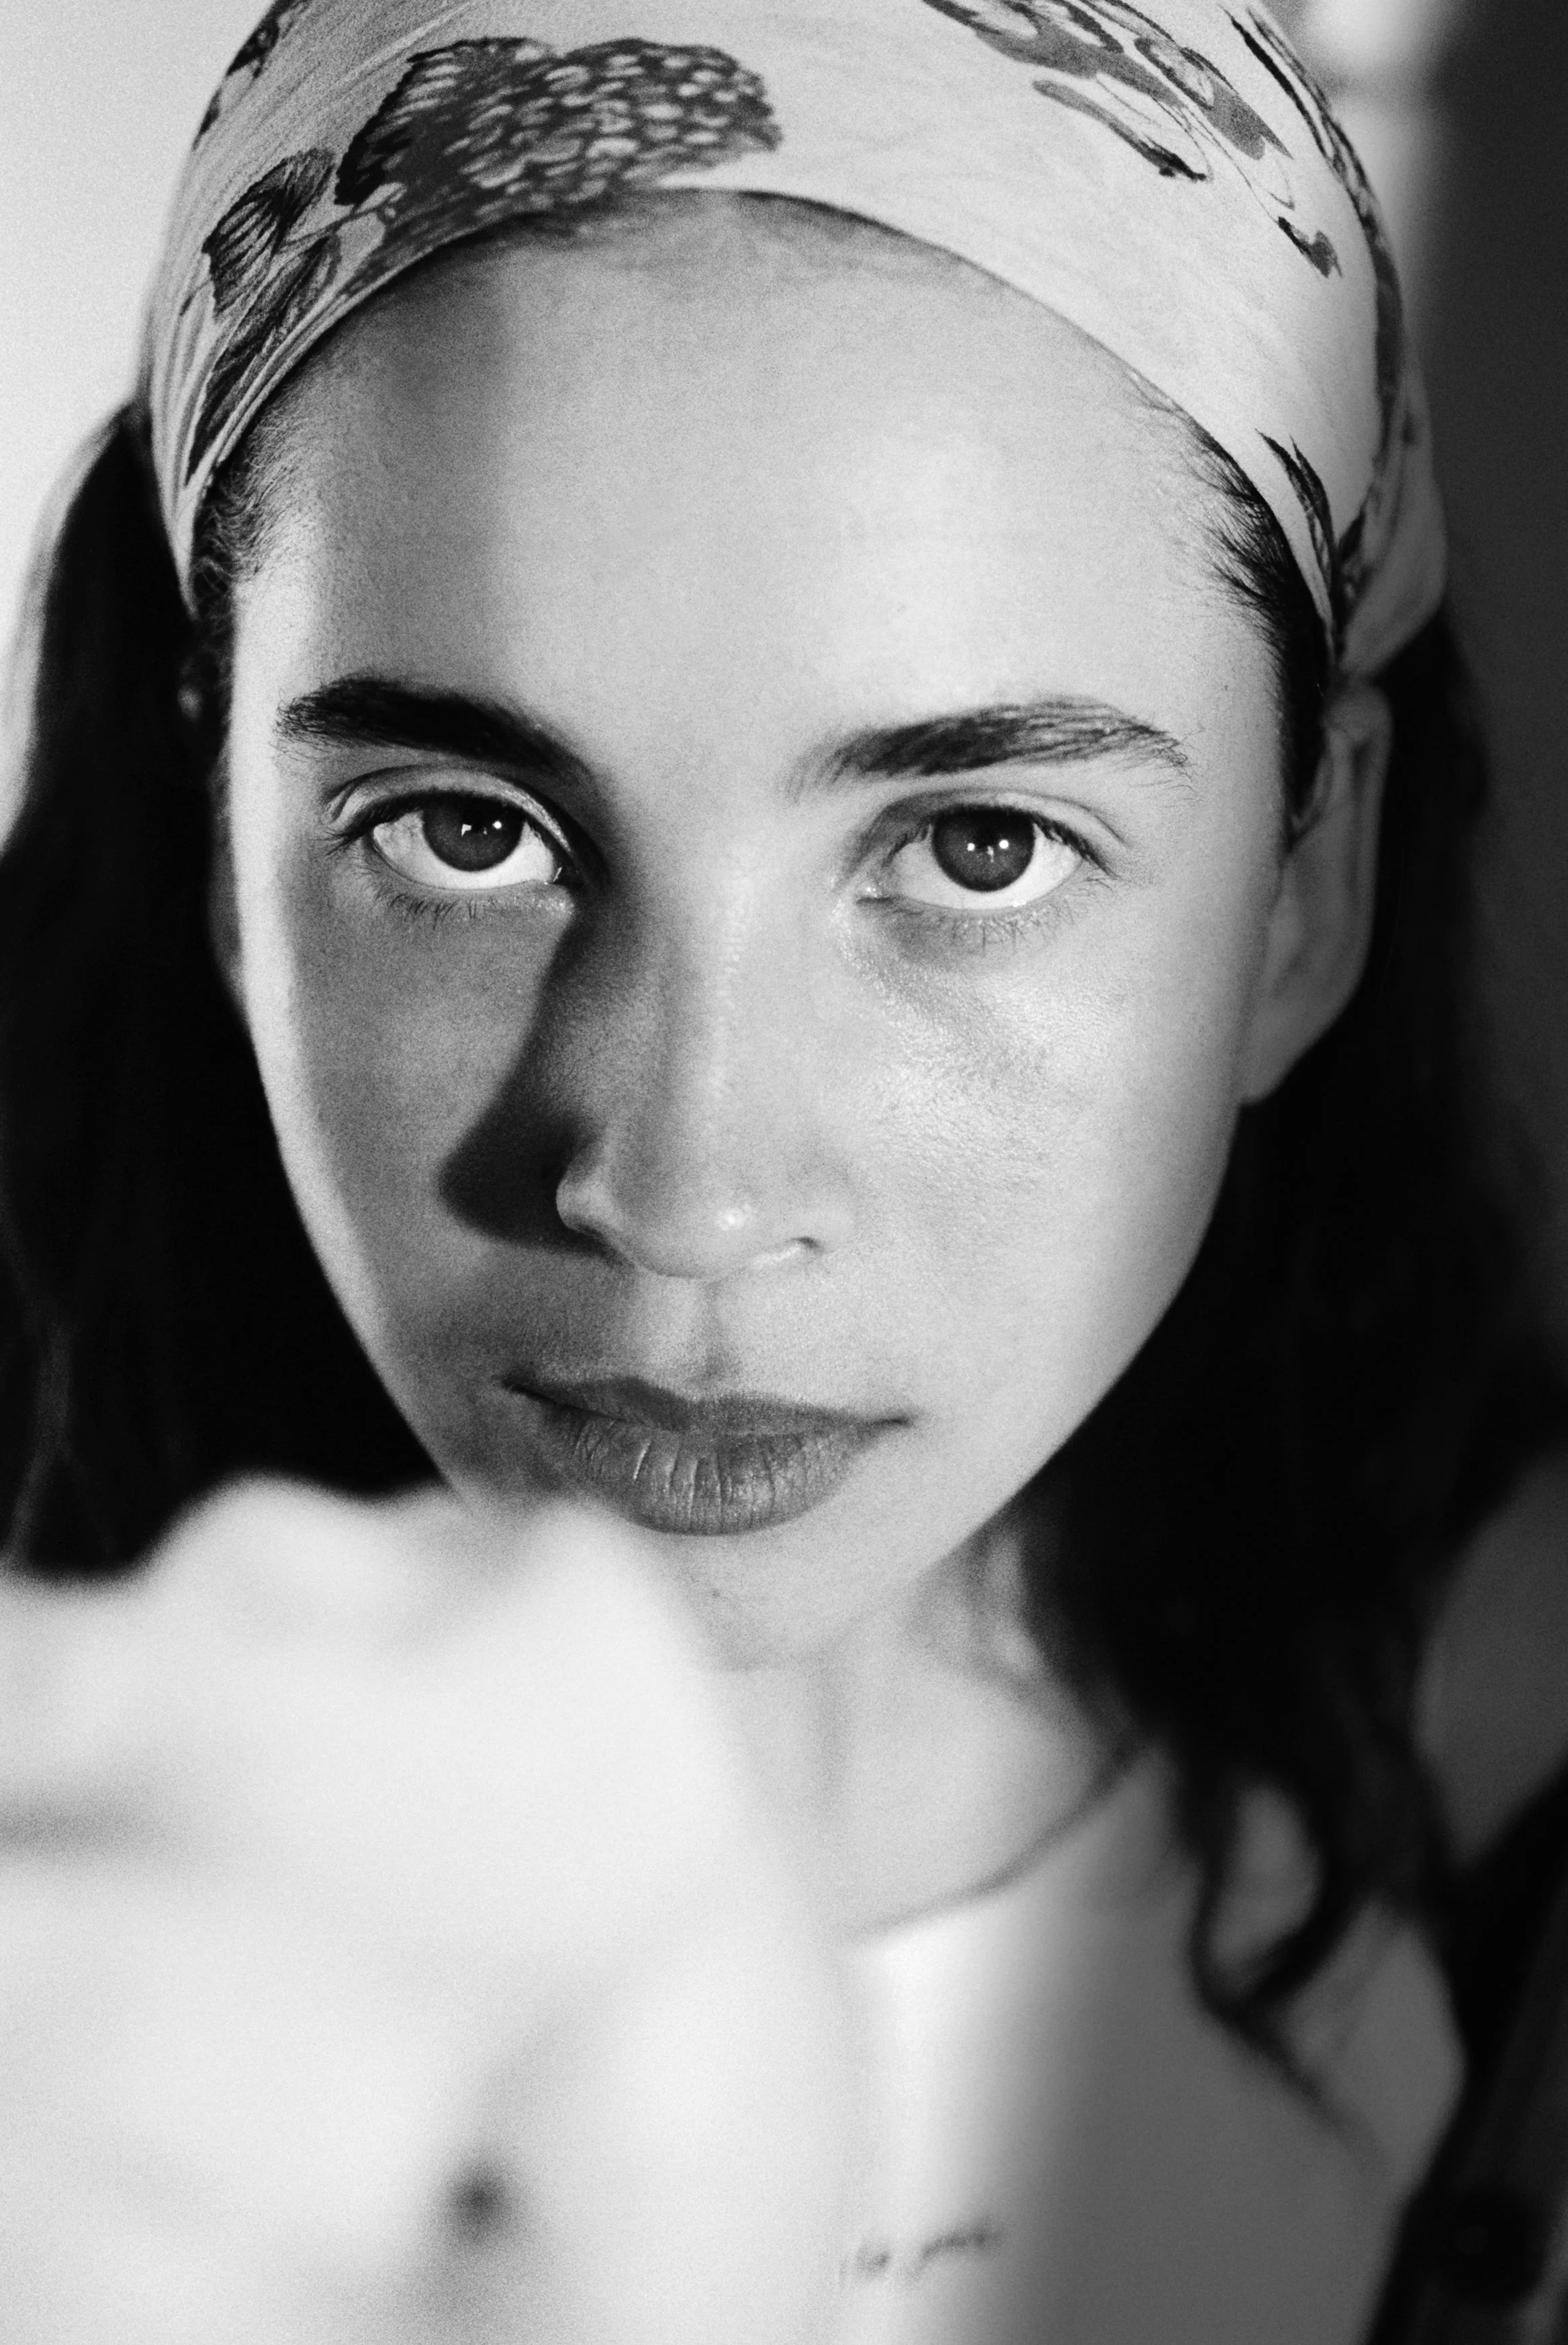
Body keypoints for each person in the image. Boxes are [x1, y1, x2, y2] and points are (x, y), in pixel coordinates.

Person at [2, 1, 1565, 2338]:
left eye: (977, 846)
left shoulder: (1510, 1846)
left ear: (1299, 888)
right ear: (226, 847)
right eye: (463, 833)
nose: (680, 1187)